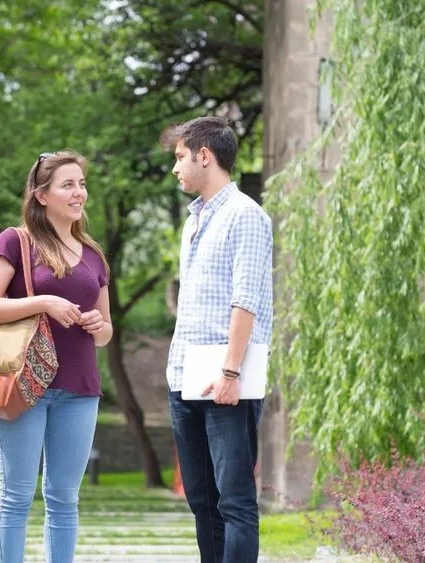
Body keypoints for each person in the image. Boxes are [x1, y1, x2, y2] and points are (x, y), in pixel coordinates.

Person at [0, 150, 113, 563]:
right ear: (41, 195)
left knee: (65, 497)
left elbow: (105, 330)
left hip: (80, 388)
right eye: (68, 184)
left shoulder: (93, 254)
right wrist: (46, 302)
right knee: (16, 494)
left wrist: (97, 327)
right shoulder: (14, 242)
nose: (79, 192)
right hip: (23, 383)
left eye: (82, 183)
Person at [162, 117, 273, 563]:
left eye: (179, 157)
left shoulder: (246, 215)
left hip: (226, 380)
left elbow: (245, 301)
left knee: (235, 501)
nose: (175, 169)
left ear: (203, 155)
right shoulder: (193, 222)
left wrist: (231, 372)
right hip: (184, 377)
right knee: (202, 501)